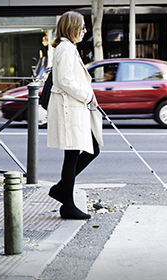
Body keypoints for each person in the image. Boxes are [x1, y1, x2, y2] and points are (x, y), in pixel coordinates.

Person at [47, 11, 103, 219]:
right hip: (69, 110)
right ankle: (67, 204)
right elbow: (66, 81)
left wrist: (88, 96)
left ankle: (62, 192)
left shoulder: (66, 48)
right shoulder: (66, 49)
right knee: (74, 155)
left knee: (87, 150)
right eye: (82, 27)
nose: (85, 31)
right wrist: (88, 96)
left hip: (71, 109)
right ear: (72, 28)